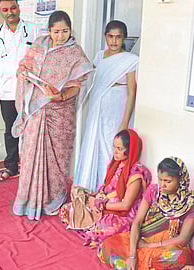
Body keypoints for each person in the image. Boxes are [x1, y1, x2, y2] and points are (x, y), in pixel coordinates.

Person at [11, 10, 93, 220]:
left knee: (58, 156)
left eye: (65, 31)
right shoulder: (39, 46)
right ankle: (30, 201)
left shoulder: (75, 53)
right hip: (38, 112)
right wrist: (22, 72)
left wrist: (62, 95)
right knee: (31, 155)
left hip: (60, 112)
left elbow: (79, 84)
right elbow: (24, 66)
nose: (60, 36)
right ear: (49, 31)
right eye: (56, 32)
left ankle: (53, 199)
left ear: (70, 30)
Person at [98, 157, 194, 270]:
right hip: (143, 238)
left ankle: (131, 266)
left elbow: (183, 239)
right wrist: (133, 255)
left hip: (167, 246)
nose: (162, 185)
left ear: (181, 180)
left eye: (168, 181)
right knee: (107, 245)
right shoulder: (153, 191)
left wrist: (148, 246)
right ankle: (135, 264)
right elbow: (137, 222)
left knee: (179, 257)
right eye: (160, 180)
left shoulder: (191, 205)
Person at [74, 20, 139, 192]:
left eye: (118, 37)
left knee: (111, 147)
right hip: (97, 108)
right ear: (105, 37)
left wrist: (125, 122)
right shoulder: (99, 56)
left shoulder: (131, 60)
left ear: (124, 38)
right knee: (93, 143)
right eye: (110, 36)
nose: (114, 41)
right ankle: (90, 188)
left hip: (117, 108)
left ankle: (109, 190)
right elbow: (91, 80)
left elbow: (132, 91)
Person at [59, 129, 152, 248]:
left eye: (119, 149)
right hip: (105, 202)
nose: (115, 152)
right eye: (114, 147)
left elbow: (125, 206)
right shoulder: (116, 164)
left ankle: (94, 231)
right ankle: (90, 223)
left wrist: (99, 205)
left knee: (101, 228)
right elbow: (107, 189)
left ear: (130, 150)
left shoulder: (136, 175)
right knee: (67, 209)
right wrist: (96, 199)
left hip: (121, 213)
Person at [0, 0, 41, 180]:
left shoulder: (34, 30)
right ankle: (11, 166)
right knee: (11, 129)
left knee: (31, 129)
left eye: (13, 8)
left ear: (19, 8)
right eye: (5, 10)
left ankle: (30, 164)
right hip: (7, 91)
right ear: (0, 12)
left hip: (30, 91)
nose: (10, 12)